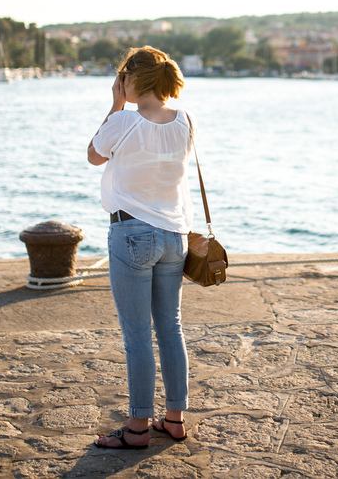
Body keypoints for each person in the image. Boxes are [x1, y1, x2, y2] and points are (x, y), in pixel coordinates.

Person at [87, 46, 193, 449]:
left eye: (121, 76)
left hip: (132, 232)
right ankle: (175, 419)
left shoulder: (124, 122)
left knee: (136, 335)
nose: (119, 82)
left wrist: (114, 106)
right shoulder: (185, 120)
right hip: (174, 236)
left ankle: (135, 430)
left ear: (133, 79)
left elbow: (94, 156)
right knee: (171, 327)